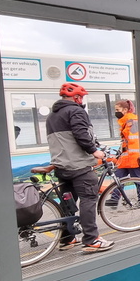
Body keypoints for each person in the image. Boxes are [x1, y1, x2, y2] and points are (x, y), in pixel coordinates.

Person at [47, 83, 114, 253]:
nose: (82, 100)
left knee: (68, 203)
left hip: (62, 166)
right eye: (81, 97)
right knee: (89, 199)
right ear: (76, 98)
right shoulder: (76, 111)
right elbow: (81, 134)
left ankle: (67, 239)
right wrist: (94, 151)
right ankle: (91, 240)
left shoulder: (52, 116)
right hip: (78, 165)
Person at [106, 99, 140, 205]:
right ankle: (114, 198)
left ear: (125, 110)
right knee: (118, 177)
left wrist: (132, 156)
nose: (116, 112)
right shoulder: (125, 121)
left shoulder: (132, 121)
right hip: (126, 157)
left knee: (138, 180)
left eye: (117, 109)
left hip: (134, 157)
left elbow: (135, 140)